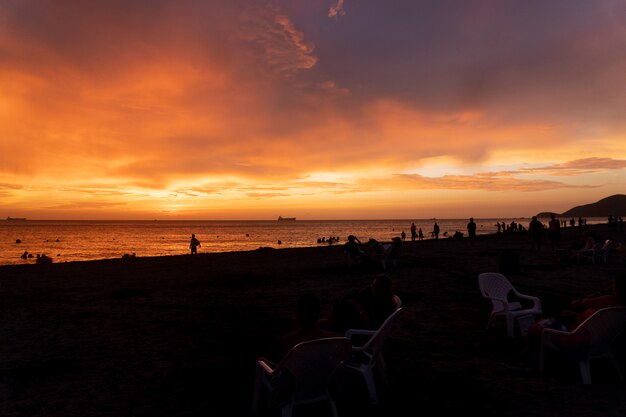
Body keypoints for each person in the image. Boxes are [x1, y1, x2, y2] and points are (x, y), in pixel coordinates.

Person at [523, 273, 626, 367]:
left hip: (579, 341)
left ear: (615, 286)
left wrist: (600, 293)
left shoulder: (607, 300)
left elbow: (576, 304)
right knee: (564, 315)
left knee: (534, 328)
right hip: (602, 344)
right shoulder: (622, 307)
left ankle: (528, 361)